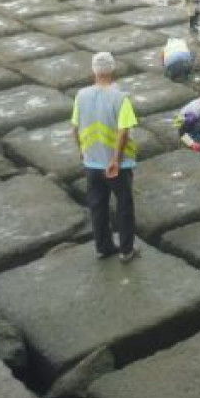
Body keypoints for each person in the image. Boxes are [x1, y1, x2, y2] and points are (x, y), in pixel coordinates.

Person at [72, 52, 140, 263]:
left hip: (91, 161)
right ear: (113, 70)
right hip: (116, 165)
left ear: (94, 70)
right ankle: (126, 250)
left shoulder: (81, 95)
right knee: (124, 206)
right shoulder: (121, 98)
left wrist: (81, 150)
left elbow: (74, 127)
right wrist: (115, 160)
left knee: (97, 206)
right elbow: (123, 131)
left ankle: (103, 247)